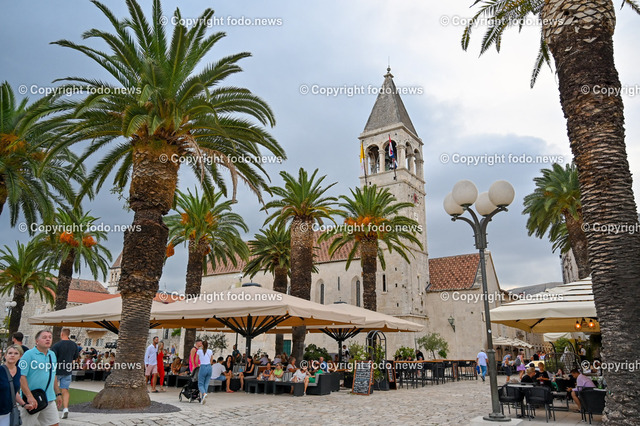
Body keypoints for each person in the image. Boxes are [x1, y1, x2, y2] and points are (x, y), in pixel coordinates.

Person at [18, 330, 63, 426]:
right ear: (37, 341)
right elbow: (21, 377)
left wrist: (58, 393)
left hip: (49, 398)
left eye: (50, 337)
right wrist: (29, 396)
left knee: (54, 424)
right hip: (32, 398)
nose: (48, 339)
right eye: (44, 337)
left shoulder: (52, 355)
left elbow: (53, 375)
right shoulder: (28, 355)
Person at [51, 328, 80, 419]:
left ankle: (51, 409)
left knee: (52, 389)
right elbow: (75, 357)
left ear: (62, 334)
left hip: (57, 370)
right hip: (67, 370)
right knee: (65, 390)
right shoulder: (74, 345)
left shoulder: (56, 345)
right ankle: (65, 408)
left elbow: (52, 358)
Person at [1, 345, 29, 426]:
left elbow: (13, 391)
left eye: (16, 353)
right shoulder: (1, 370)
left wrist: (24, 404)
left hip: (8, 412)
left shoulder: (18, 371)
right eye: (10, 353)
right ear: (5, 355)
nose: (12, 355)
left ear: (20, 356)